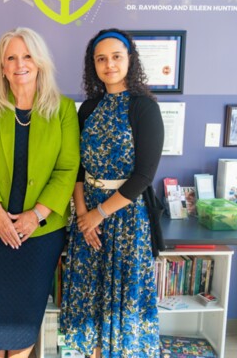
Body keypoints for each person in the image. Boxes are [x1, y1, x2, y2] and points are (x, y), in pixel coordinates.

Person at [0, 27, 80, 358]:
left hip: (40, 235)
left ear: (40, 62)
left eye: (27, 56)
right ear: (2, 67)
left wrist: (37, 216)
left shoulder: (63, 109)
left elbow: (66, 169)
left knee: (24, 320)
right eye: (11, 58)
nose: (20, 64)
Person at [61, 28, 165, 357]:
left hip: (126, 219)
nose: (109, 64)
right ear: (93, 65)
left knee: (124, 307)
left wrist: (99, 214)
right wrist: (82, 217)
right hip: (87, 222)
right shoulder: (87, 108)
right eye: (101, 59)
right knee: (88, 303)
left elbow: (144, 176)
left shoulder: (144, 108)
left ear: (129, 60)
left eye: (116, 57)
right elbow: (77, 168)